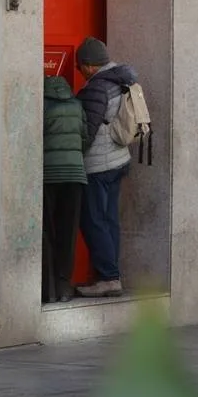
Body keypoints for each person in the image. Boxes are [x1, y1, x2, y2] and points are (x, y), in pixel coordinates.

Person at [74, 36, 136, 297]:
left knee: (93, 220)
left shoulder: (97, 87)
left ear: (89, 65)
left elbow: (87, 130)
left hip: (99, 164)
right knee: (108, 220)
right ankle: (111, 275)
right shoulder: (121, 81)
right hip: (118, 159)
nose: (79, 71)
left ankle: (108, 277)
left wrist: (71, 154)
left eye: (79, 66)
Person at [42, 76, 88, 303]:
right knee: (67, 233)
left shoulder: (41, 104)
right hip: (75, 175)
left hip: (49, 175)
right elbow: (85, 139)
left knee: (47, 231)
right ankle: (64, 287)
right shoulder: (77, 105)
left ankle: (47, 289)